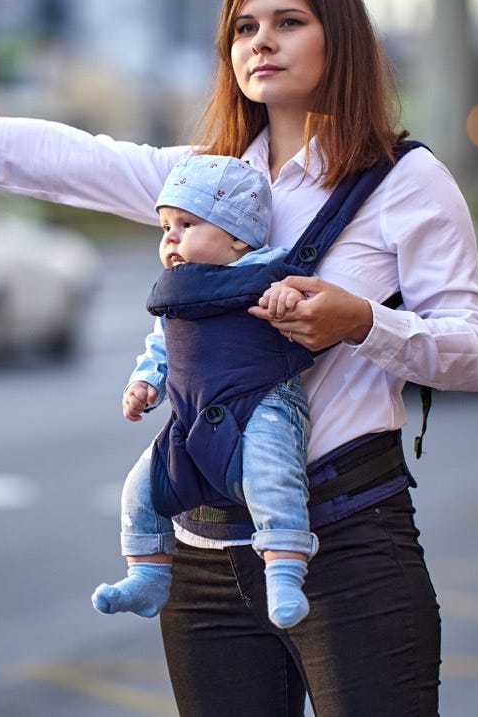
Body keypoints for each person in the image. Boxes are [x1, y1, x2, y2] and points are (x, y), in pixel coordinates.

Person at [0, 0, 478, 717]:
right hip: (204, 556)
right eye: (245, 27)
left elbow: (474, 349)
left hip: (350, 542)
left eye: (290, 22)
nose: (262, 42)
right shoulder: (204, 179)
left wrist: (362, 322)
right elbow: (54, 158)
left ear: (342, 41)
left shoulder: (405, 181)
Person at [97, 153, 316, 630]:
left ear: (238, 235)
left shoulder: (267, 269)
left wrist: (287, 297)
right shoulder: (179, 290)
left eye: (186, 224)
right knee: (142, 489)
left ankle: (283, 571)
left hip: (263, 406)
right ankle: (148, 574)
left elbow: (304, 298)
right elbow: (161, 344)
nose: (170, 237)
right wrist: (144, 382)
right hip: (191, 419)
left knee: (272, 481)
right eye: (164, 227)